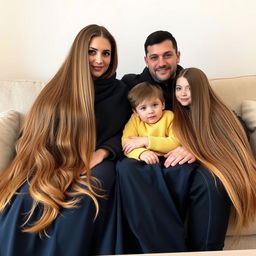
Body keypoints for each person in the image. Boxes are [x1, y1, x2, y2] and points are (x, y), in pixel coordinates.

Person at [0, 24, 130, 256]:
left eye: (106, 53)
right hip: (55, 160)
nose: (99, 59)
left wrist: (103, 152)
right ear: (80, 52)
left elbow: (127, 132)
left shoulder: (120, 92)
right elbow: (33, 134)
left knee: (88, 197)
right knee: (27, 199)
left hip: (98, 162)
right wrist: (58, 162)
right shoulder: (56, 89)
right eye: (92, 51)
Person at [116, 30, 231, 253]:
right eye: (154, 57)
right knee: (129, 172)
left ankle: (206, 250)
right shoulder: (131, 85)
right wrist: (137, 150)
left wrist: (194, 147)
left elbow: (219, 118)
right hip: (143, 159)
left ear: (178, 55)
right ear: (146, 60)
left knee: (212, 183)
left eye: (167, 55)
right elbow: (120, 130)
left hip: (184, 155)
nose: (161, 62)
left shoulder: (189, 82)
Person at [173, 67, 256, 235]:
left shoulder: (220, 113)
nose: (183, 93)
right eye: (179, 88)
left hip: (222, 165)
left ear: (200, 90)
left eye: (189, 88)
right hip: (196, 169)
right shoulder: (177, 116)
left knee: (214, 183)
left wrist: (195, 150)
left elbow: (238, 138)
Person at [122, 81, 180, 164]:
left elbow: (176, 142)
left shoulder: (169, 117)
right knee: (125, 166)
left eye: (154, 105)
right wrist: (141, 153)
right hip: (143, 158)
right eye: (143, 108)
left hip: (167, 158)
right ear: (136, 112)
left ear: (163, 104)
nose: (150, 111)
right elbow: (126, 144)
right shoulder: (135, 119)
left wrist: (146, 141)